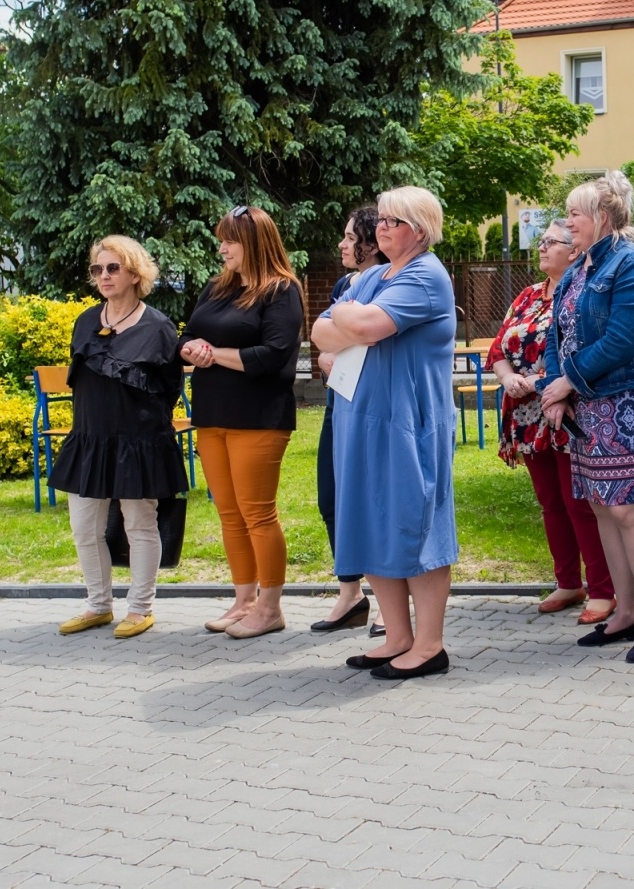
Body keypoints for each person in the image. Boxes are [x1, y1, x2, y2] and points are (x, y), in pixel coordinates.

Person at [312, 186, 457, 680]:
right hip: (362, 418)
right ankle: (397, 637)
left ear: (418, 229)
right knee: (369, 520)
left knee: (416, 525)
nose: (382, 229)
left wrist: (348, 321)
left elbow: (366, 325)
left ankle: (429, 645)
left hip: (408, 422)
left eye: (393, 222)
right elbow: (319, 331)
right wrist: (345, 323)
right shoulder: (374, 274)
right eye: (382, 221)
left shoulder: (426, 275)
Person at [539, 171, 634, 664]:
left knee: (625, 508)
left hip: (626, 402)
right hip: (586, 404)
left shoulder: (632, 265)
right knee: (600, 506)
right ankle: (624, 612)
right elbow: (557, 334)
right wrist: (555, 391)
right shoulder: (580, 268)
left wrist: (566, 381)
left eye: (575, 212)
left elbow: (621, 340)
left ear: (602, 217)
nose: (567, 220)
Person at [52, 236, 188, 639]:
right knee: (84, 527)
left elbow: (168, 389)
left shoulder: (158, 327)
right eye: (98, 269)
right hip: (90, 438)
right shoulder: (86, 321)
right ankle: (98, 605)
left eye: (113, 268)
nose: (104, 276)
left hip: (138, 440)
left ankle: (140, 608)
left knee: (139, 524)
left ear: (134, 273)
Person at [179, 206, 304, 639]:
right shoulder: (218, 287)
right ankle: (244, 600)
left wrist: (213, 356)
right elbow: (186, 334)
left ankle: (270, 608)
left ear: (253, 243)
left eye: (229, 240)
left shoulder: (282, 290)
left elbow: (274, 355)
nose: (222, 247)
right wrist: (190, 348)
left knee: (257, 513)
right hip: (212, 414)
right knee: (229, 513)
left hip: (258, 418)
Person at [488, 219, 616, 625]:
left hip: (565, 407)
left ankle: (603, 589)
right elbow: (499, 345)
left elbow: (590, 347)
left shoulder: (582, 292)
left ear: (574, 251)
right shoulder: (527, 296)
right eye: (540, 241)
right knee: (550, 502)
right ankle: (568, 581)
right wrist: (508, 377)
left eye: (551, 242)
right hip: (525, 413)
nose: (541, 248)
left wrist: (546, 382)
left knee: (580, 503)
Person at [311, 206, 388, 635]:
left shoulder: (390, 283)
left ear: (371, 244)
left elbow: (364, 334)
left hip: (372, 403)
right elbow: (322, 338)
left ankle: (388, 603)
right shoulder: (345, 284)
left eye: (348, 237)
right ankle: (350, 594)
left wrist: (341, 339)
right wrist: (334, 345)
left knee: (372, 499)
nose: (341, 244)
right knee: (332, 495)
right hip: (337, 397)